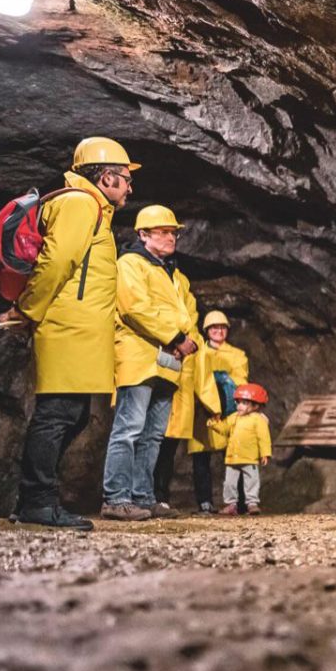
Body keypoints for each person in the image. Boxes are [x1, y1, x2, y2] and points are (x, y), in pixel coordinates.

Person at [0, 136, 137, 530]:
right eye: (126, 179)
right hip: (68, 328)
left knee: (70, 416)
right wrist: (27, 310)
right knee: (56, 415)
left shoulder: (91, 207)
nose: (129, 188)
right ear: (107, 177)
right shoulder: (80, 204)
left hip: (80, 329)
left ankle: (34, 500)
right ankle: (37, 503)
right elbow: (57, 262)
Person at [100, 205, 197, 521]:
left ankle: (143, 496)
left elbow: (180, 313)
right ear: (143, 234)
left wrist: (182, 342)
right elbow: (134, 309)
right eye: (164, 231)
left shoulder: (168, 270)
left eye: (174, 232)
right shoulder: (131, 263)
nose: (172, 237)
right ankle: (116, 498)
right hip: (139, 356)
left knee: (153, 434)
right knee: (129, 428)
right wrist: (177, 338)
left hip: (166, 360)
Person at [152, 247, 220, 515]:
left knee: (167, 449)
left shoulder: (195, 340)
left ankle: (160, 495)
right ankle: (142, 494)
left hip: (179, 402)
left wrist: (213, 406)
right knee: (148, 442)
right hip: (158, 388)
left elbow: (202, 377)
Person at [186, 310, 249, 513]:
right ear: (206, 331)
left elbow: (241, 381)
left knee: (234, 457)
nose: (218, 331)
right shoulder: (197, 352)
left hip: (228, 411)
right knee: (201, 458)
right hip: (202, 412)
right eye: (214, 328)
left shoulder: (237, 355)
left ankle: (238, 502)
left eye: (222, 327)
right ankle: (205, 501)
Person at [207, 383, 272, 515]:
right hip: (233, 457)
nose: (239, 406)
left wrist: (265, 453)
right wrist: (215, 424)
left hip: (250, 457)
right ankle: (231, 504)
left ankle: (252, 503)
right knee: (229, 483)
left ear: (255, 405)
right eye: (238, 403)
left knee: (251, 481)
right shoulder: (234, 417)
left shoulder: (258, 420)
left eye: (244, 403)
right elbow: (225, 428)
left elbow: (264, 438)